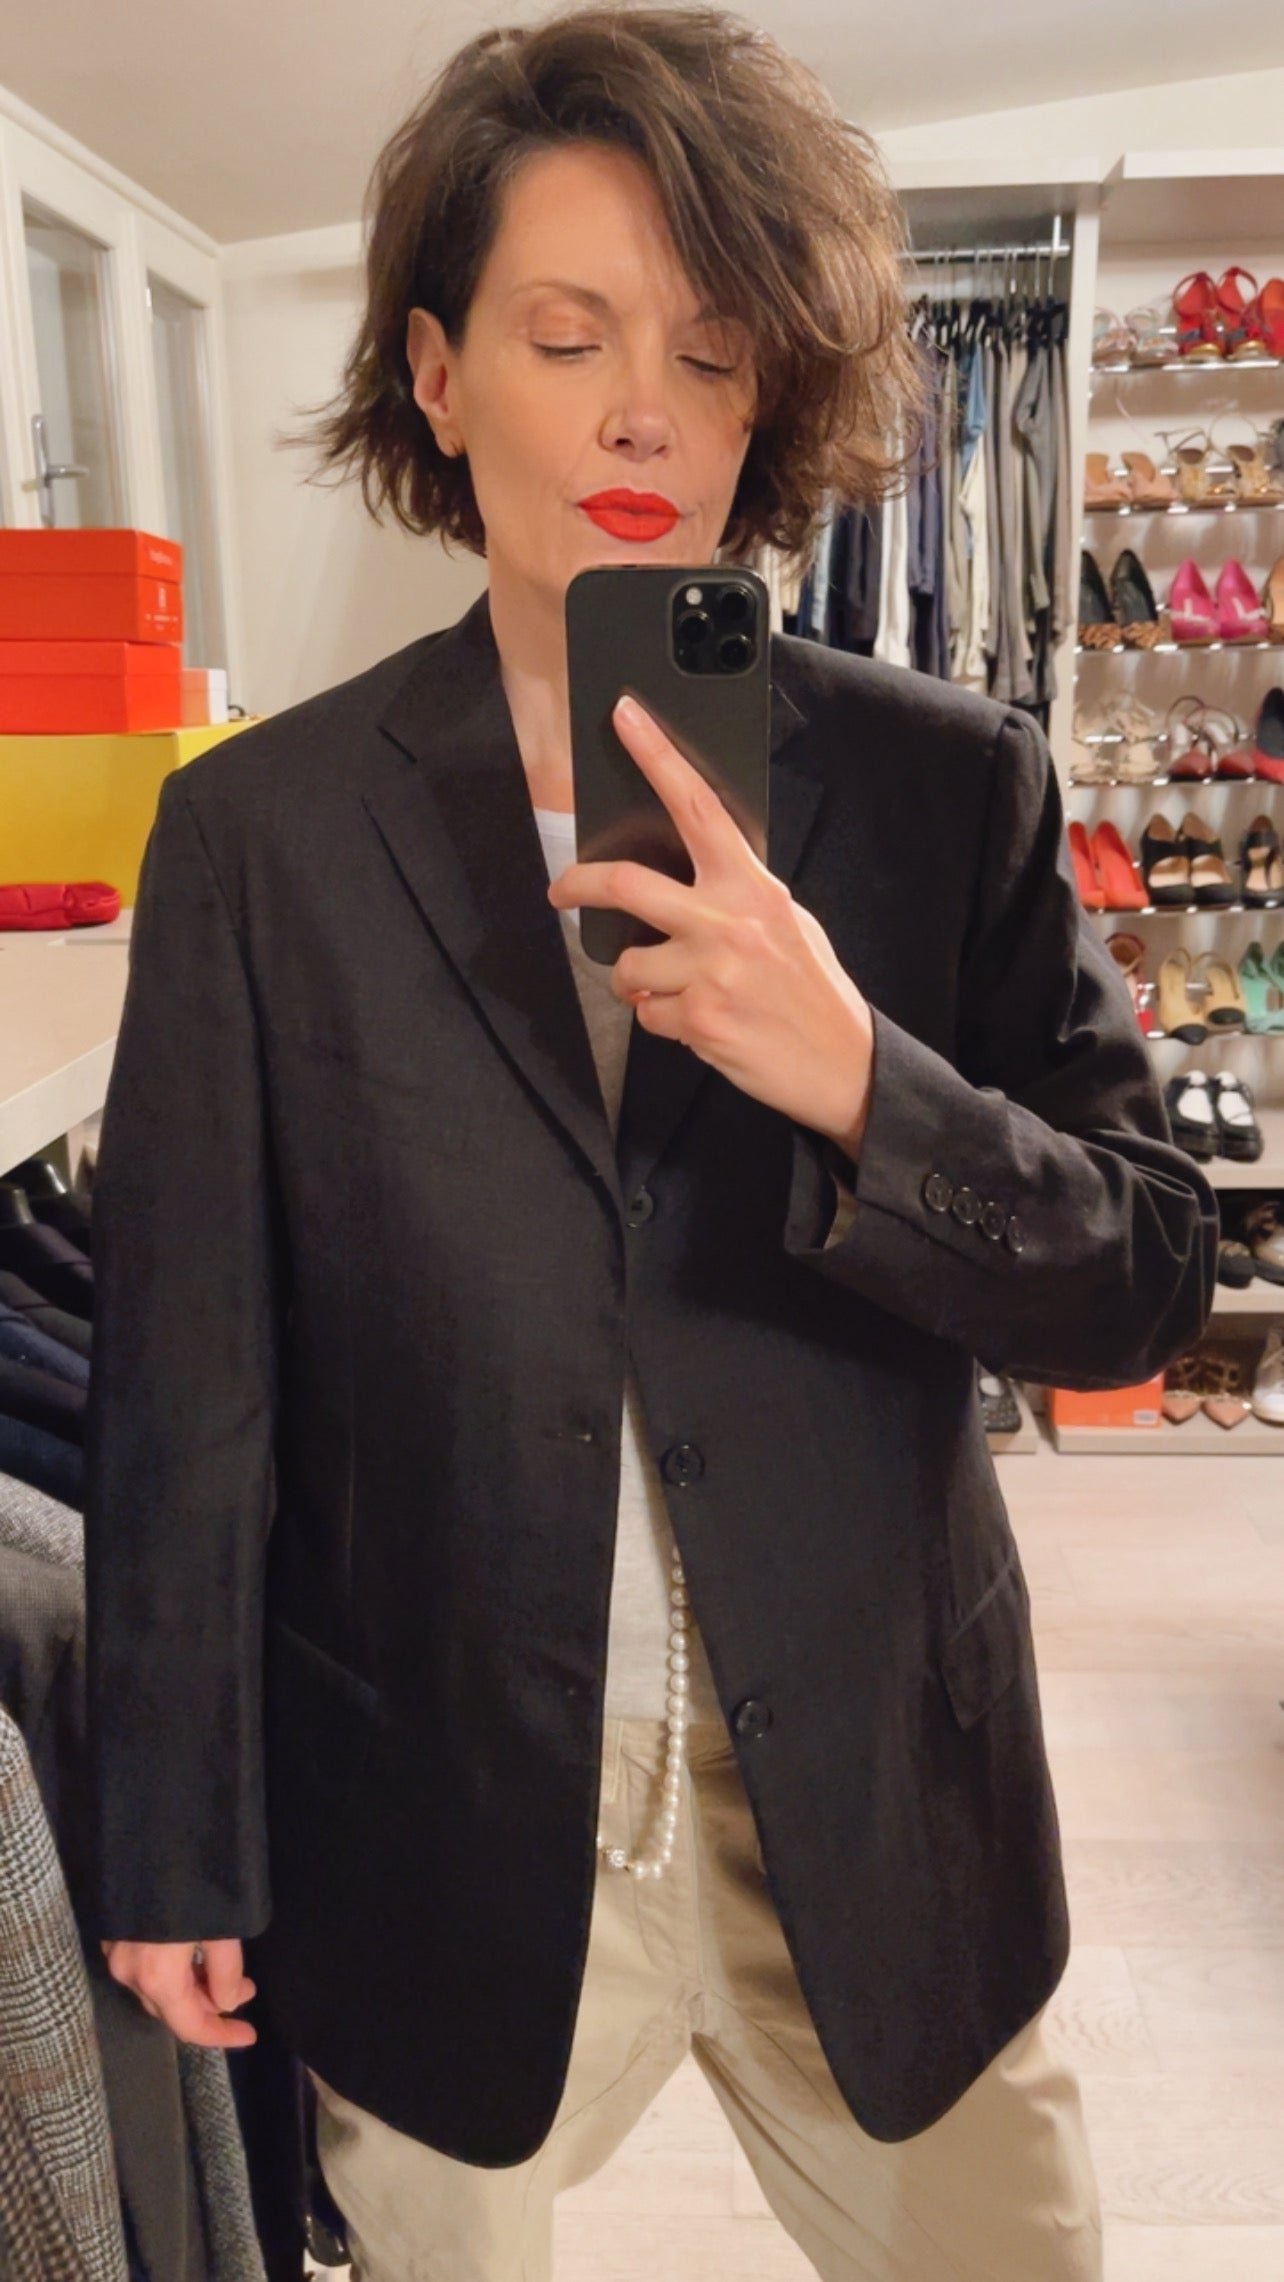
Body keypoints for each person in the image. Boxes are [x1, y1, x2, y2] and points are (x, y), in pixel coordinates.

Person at [85, 9, 1217, 2279]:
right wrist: (170, 1836)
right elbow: (190, 1386)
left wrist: (861, 1075)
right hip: (447, 1803)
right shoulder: (256, 838)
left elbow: (1146, 1279)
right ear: (436, 376)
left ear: (767, 396)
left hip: (881, 1797)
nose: (640, 413)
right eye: (565, 335)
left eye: (708, 353)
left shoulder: (951, 789)